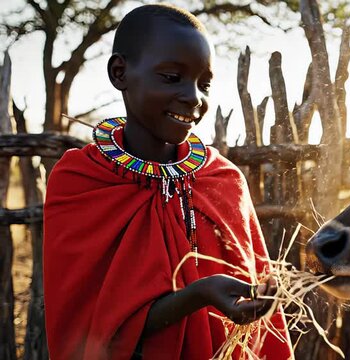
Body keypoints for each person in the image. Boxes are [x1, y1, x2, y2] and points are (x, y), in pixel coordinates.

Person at [43, 4, 292, 359]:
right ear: (120, 73)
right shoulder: (81, 180)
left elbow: (260, 315)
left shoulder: (222, 180)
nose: (194, 97)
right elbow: (93, 327)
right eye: (172, 77)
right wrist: (198, 295)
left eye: (204, 83)